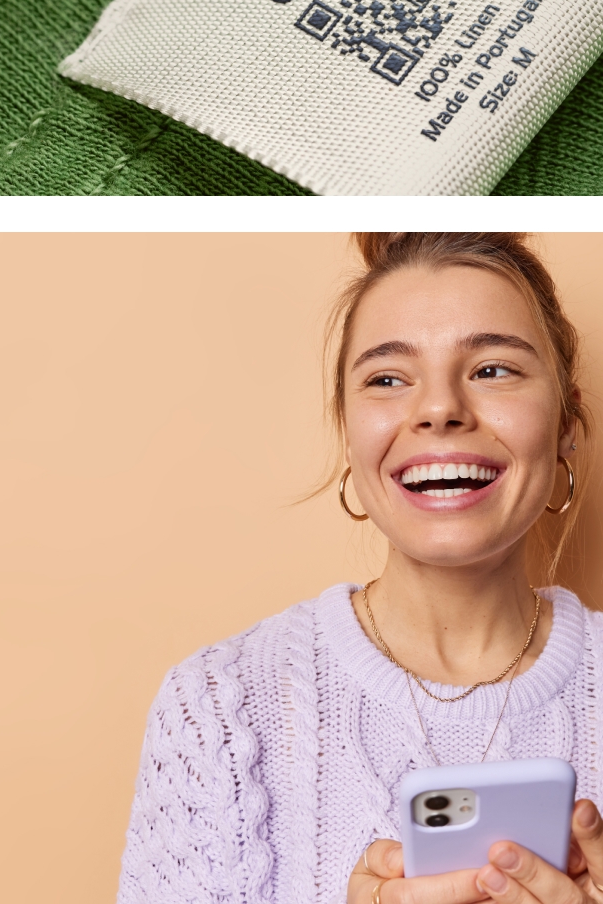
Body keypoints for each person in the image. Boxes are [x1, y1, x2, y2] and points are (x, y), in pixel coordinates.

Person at [122, 234, 603, 904]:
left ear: (567, 425)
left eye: (493, 369)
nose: (439, 409)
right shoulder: (216, 707)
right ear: (346, 433)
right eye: (387, 379)